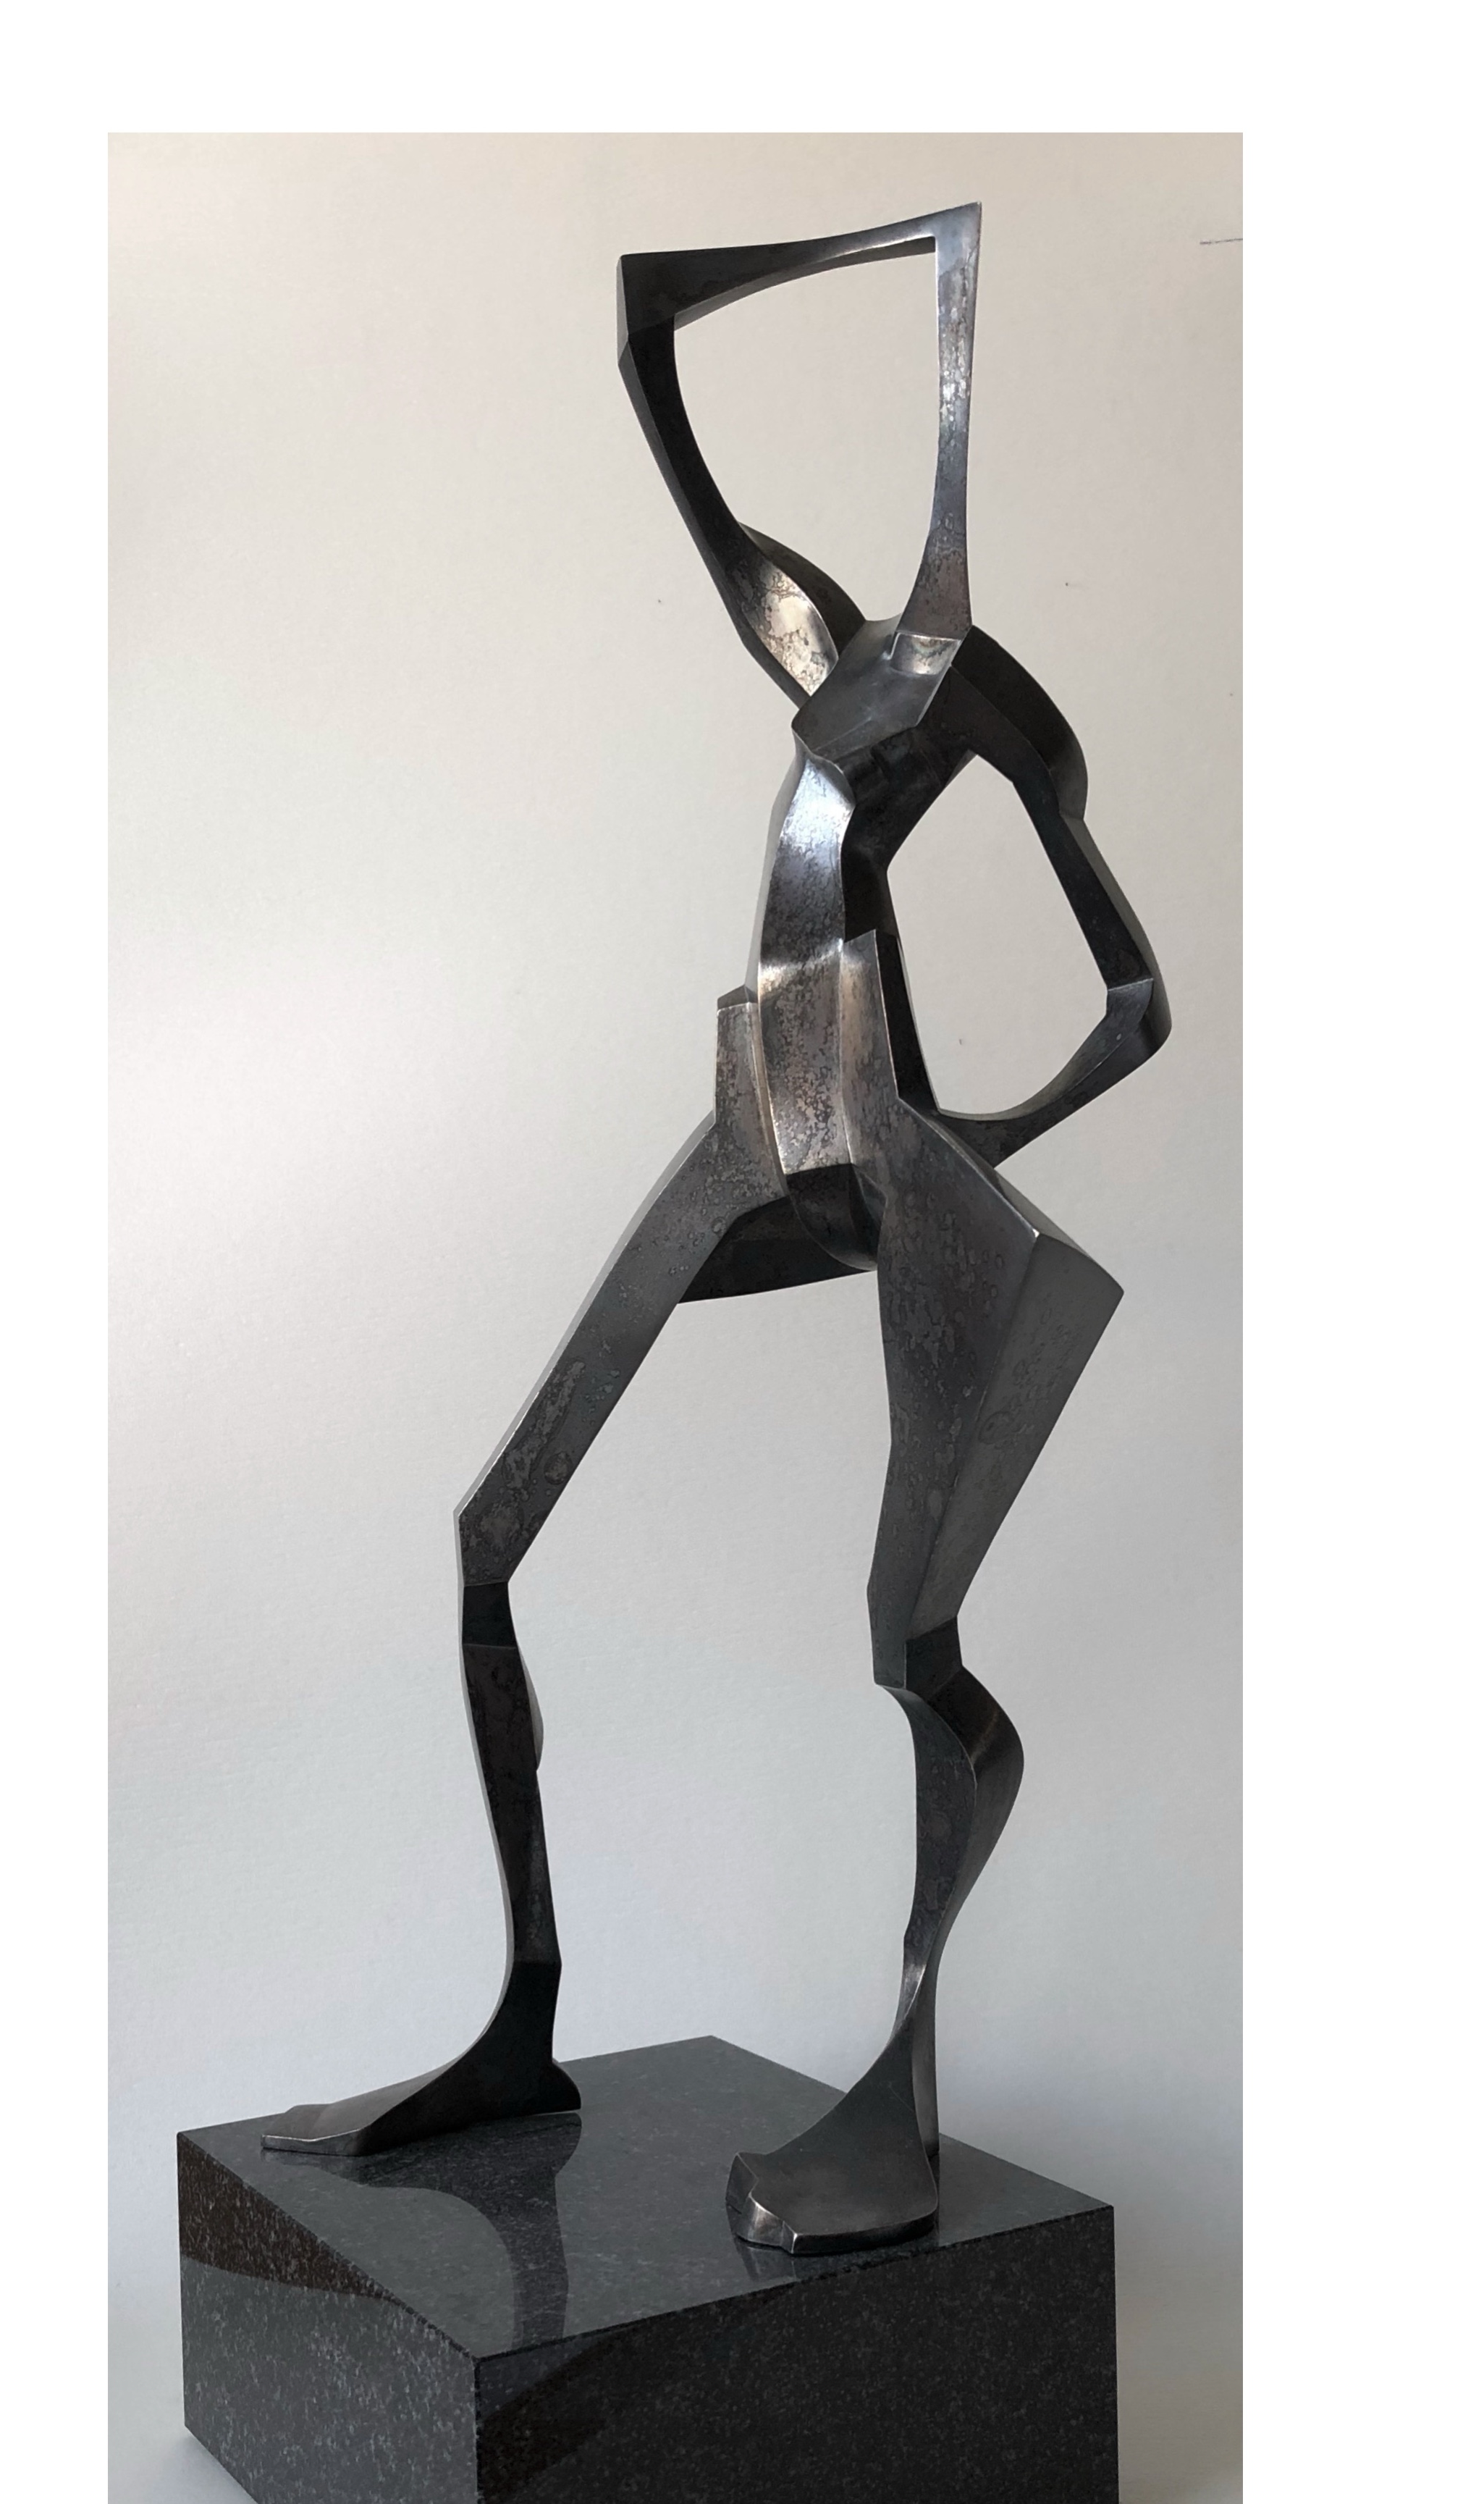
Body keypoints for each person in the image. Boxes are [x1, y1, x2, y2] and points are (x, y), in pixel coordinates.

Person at [265, 203, 1171, 2255]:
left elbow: (1134, 999)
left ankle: (897, 2097)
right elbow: (658, 398)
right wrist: (681, 315)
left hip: (888, 1146)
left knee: (912, 1641)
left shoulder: (979, 696)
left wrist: (963, 1144)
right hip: (757, 1110)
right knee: (492, 1531)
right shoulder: (818, 649)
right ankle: (519, 2021)